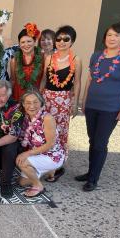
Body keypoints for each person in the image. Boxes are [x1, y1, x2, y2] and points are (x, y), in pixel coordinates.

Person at [76, 22, 120, 191]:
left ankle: (93, 178)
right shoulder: (96, 56)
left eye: (116, 35)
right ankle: (90, 171)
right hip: (92, 106)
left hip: (111, 108)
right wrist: (84, 101)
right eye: (109, 35)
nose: (112, 38)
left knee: (100, 142)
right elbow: (89, 80)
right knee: (92, 140)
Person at [41, 25, 82, 181]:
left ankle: (58, 166)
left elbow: (77, 82)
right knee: (46, 130)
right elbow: (45, 79)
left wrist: (75, 102)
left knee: (60, 132)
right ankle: (45, 160)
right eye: (58, 39)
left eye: (66, 39)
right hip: (47, 99)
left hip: (64, 100)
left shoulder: (75, 59)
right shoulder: (49, 58)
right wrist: (40, 97)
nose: (61, 42)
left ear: (72, 41)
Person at [17, 91, 64, 197]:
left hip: (52, 155)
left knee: (21, 161)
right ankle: (50, 171)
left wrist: (27, 153)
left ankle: (38, 186)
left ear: (41, 103)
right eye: (28, 103)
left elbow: (50, 144)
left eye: (35, 102)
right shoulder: (27, 117)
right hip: (38, 154)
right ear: (23, 104)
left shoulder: (47, 118)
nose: (32, 106)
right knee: (22, 182)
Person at [10, 23, 44, 101]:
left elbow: (44, 80)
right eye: (23, 42)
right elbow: (13, 80)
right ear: (19, 44)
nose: (26, 45)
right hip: (19, 97)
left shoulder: (43, 58)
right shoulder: (14, 61)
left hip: (36, 98)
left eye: (29, 41)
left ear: (34, 41)